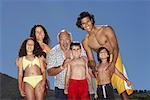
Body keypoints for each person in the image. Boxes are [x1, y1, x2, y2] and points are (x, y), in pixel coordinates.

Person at [76, 11, 133, 100]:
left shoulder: (106, 29)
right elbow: (91, 59)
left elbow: (115, 47)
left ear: (91, 20)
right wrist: (94, 69)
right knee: (101, 87)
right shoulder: (85, 41)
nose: (86, 25)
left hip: (114, 56)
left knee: (121, 86)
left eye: (88, 22)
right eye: (83, 24)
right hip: (101, 62)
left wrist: (113, 63)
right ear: (81, 26)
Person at [47, 29, 93, 100]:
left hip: (79, 85)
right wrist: (62, 66)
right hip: (61, 88)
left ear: (71, 39)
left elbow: (85, 60)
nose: (64, 42)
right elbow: (49, 72)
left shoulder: (77, 46)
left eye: (67, 39)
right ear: (59, 41)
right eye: (62, 40)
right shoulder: (53, 52)